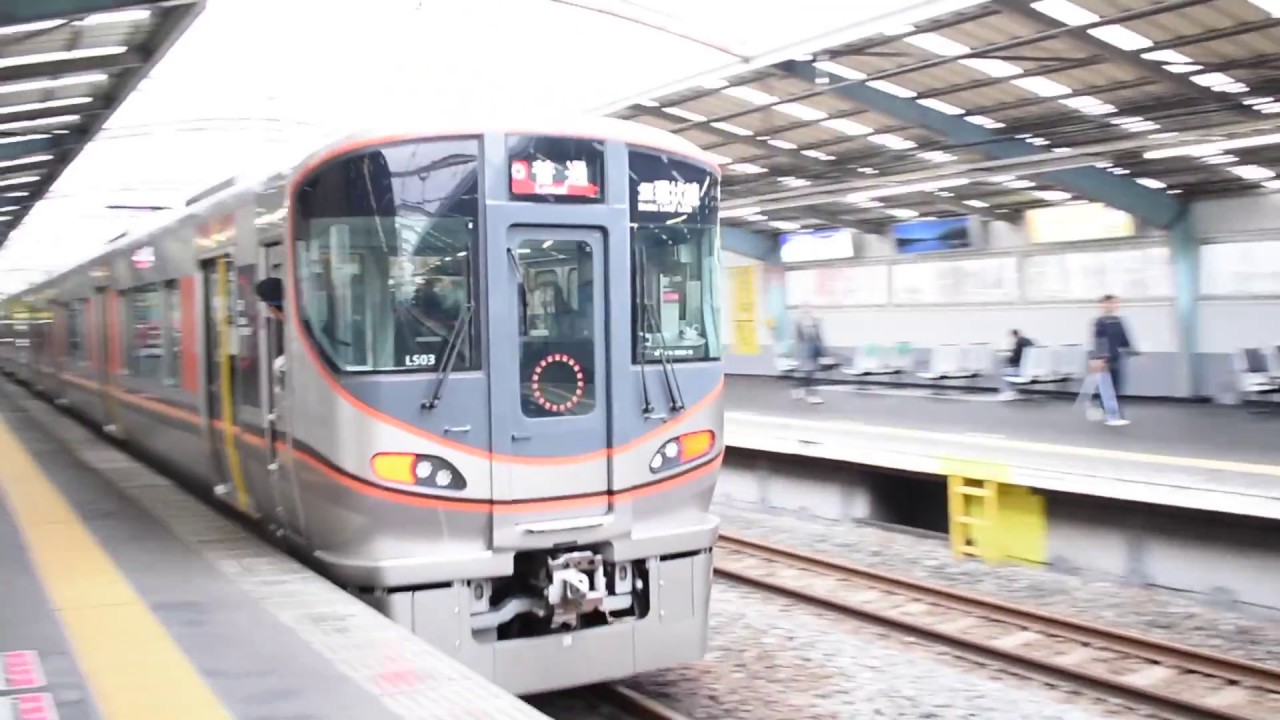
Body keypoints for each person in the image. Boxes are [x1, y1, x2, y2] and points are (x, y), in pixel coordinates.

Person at [1084, 294, 1136, 426]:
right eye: (1111, 303)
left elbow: (1124, 339)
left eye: (1115, 303)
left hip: (1116, 357)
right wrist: (1099, 358)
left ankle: (1113, 412)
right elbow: (1098, 341)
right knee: (1107, 386)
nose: (1114, 306)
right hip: (1104, 358)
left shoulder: (1118, 320)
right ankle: (1111, 414)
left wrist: (1134, 352)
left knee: (1117, 386)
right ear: (1103, 305)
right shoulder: (1100, 322)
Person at [791, 306, 826, 405]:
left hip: (814, 350)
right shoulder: (798, 322)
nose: (808, 312)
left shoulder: (816, 322)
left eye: (809, 310)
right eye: (805, 310)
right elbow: (797, 339)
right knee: (807, 372)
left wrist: (823, 351)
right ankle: (810, 394)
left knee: (810, 373)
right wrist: (797, 354)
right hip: (804, 351)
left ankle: (801, 390)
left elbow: (819, 337)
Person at [996, 329, 1033, 401]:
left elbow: (1016, 357)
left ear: (1014, 335)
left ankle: (1008, 391)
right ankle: (1012, 390)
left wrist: (1008, 361)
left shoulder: (1019, 343)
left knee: (1002, 372)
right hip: (1029, 367)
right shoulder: (1028, 341)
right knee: (1008, 370)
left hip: (1022, 369)